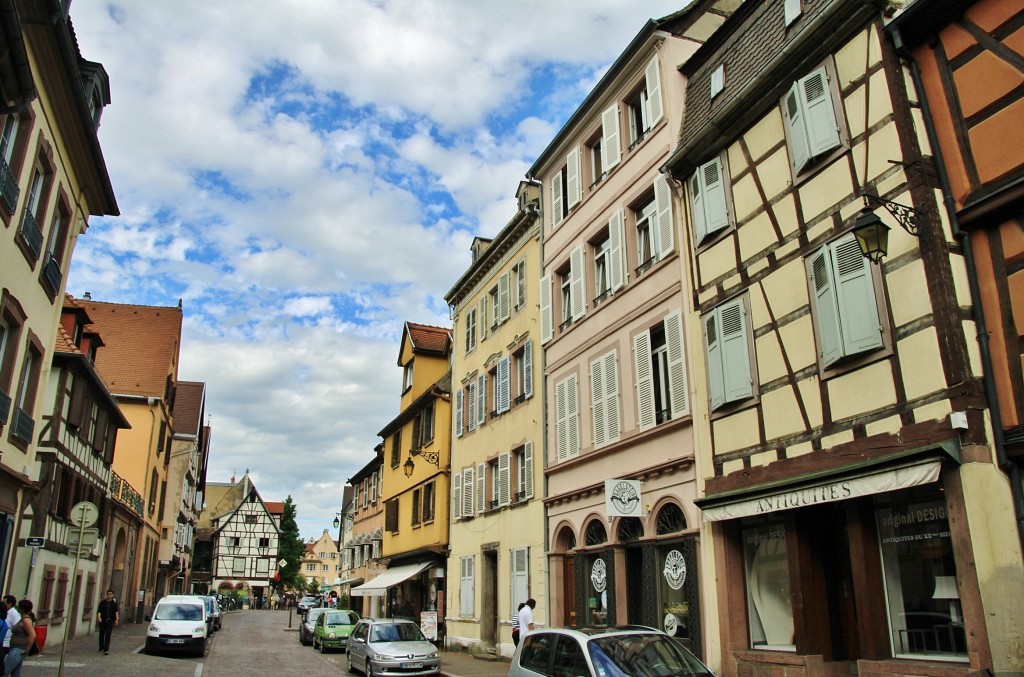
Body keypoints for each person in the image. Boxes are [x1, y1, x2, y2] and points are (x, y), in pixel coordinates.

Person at [3, 599, 35, 677]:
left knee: (4, 672)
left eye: (19, 607)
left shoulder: (26, 620)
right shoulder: (22, 619)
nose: (17, 608)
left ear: (22, 609)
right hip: (16, 648)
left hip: (18, 649)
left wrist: (28, 649)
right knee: (15, 674)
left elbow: (32, 635)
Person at [96, 589, 119, 655]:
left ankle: (106, 649)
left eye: (110, 594)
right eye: (108, 594)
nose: (109, 595)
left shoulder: (114, 603)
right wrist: (99, 618)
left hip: (110, 620)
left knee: (108, 635)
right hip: (103, 620)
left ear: (112, 595)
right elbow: (99, 611)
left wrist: (116, 620)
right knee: (102, 634)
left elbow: (116, 611)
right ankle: (101, 646)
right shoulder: (102, 602)